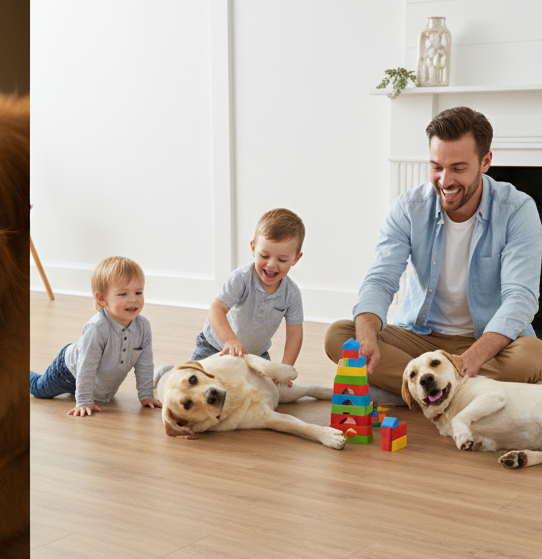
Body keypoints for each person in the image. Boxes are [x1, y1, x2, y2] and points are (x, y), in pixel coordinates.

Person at [324, 106, 542, 401]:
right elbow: (380, 279)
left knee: (533, 355)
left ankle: (416, 390)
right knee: (340, 335)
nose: (445, 180)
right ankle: (460, 394)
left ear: (485, 161)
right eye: (437, 166)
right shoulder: (408, 208)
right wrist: (366, 338)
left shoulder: (517, 209)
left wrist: (469, 359)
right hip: (420, 338)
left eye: (458, 168)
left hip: (485, 341)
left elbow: (521, 298)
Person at [30, 256, 162, 417]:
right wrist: (84, 400)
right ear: (102, 299)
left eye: (138, 292)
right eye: (123, 294)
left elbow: (145, 363)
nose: (133, 299)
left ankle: (82, 391)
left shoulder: (143, 326)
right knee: (38, 389)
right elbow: (86, 366)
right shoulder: (97, 328)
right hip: (68, 372)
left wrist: (146, 395)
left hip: (94, 382)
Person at [192, 208, 307, 381]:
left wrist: (285, 369)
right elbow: (216, 309)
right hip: (215, 346)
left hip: (255, 355)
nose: (271, 264)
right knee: (192, 380)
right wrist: (229, 340)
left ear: (295, 259)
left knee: (265, 390)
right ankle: (165, 373)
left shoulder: (291, 293)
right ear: (253, 248)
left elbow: (295, 334)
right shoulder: (242, 278)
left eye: (282, 260)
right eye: (264, 255)